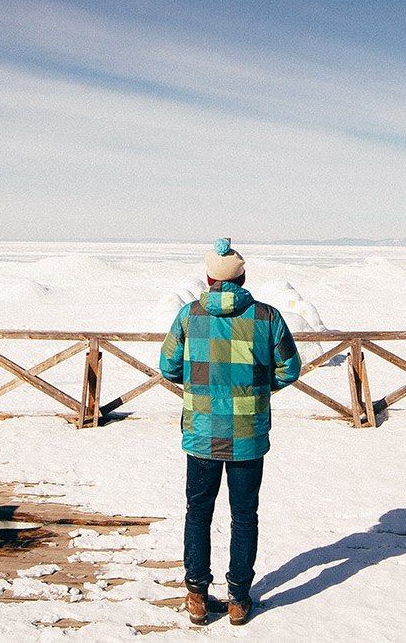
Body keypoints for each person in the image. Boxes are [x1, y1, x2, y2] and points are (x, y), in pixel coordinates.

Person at [159, 238, 302, 626]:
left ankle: (196, 596)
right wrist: (257, 388)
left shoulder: (188, 316)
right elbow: (290, 368)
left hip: (202, 432)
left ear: (208, 278)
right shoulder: (267, 318)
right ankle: (239, 598)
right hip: (248, 434)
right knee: (244, 515)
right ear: (243, 276)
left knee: (198, 512)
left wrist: (200, 388)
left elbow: (168, 366)